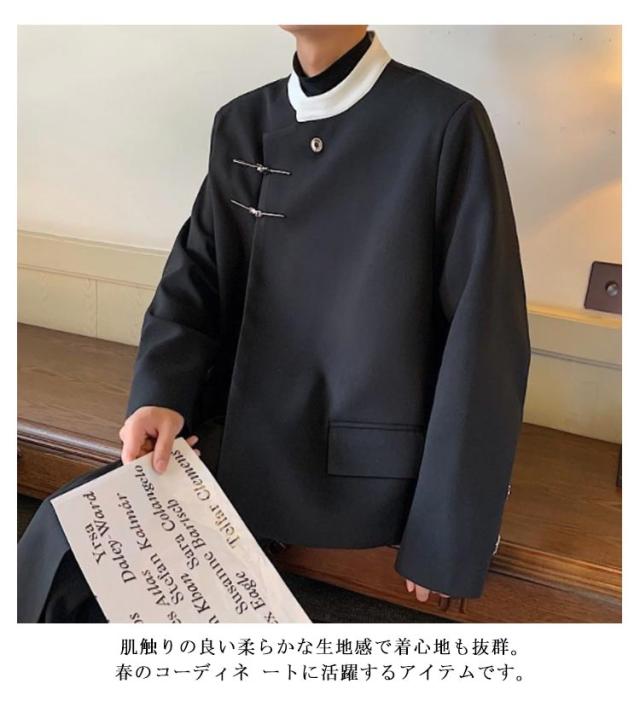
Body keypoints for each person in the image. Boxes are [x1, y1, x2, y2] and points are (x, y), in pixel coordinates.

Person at [17, 24, 531, 622]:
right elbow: (195, 276)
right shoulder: (242, 120)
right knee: (58, 545)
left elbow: (485, 334)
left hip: (358, 477)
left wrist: (447, 535)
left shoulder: (443, 123)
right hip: (227, 441)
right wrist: (161, 393)